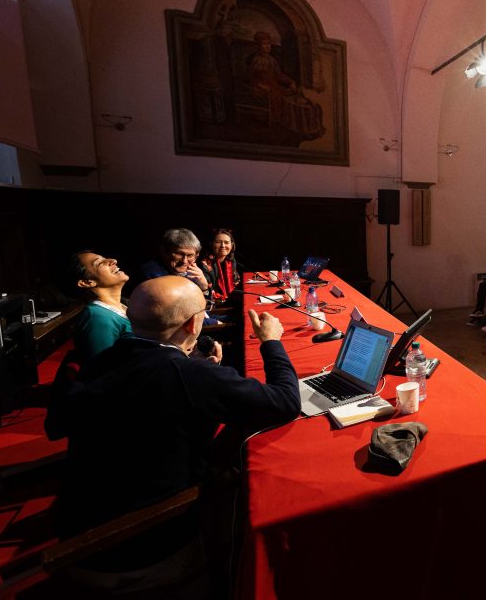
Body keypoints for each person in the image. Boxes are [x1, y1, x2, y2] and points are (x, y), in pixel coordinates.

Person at [49, 276, 301, 592]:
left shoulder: (102, 360)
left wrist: (195, 368)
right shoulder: (190, 375)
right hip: (138, 549)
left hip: (77, 533)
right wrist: (270, 341)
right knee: (251, 506)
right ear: (193, 324)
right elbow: (285, 402)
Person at [70, 251, 132, 363]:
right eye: (99, 263)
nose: (113, 261)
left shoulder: (126, 305)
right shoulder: (97, 318)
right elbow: (103, 368)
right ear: (87, 282)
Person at [142, 228, 212, 300]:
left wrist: (204, 288)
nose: (184, 261)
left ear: (196, 256)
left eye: (190, 255)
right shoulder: (150, 274)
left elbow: (207, 304)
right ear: (164, 252)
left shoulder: (197, 273)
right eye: (179, 254)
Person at [199, 228, 240, 305]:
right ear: (211, 244)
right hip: (213, 304)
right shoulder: (204, 264)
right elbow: (208, 291)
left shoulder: (231, 260)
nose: (223, 246)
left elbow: (236, 281)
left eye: (226, 242)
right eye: (218, 242)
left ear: (232, 245)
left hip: (230, 301)